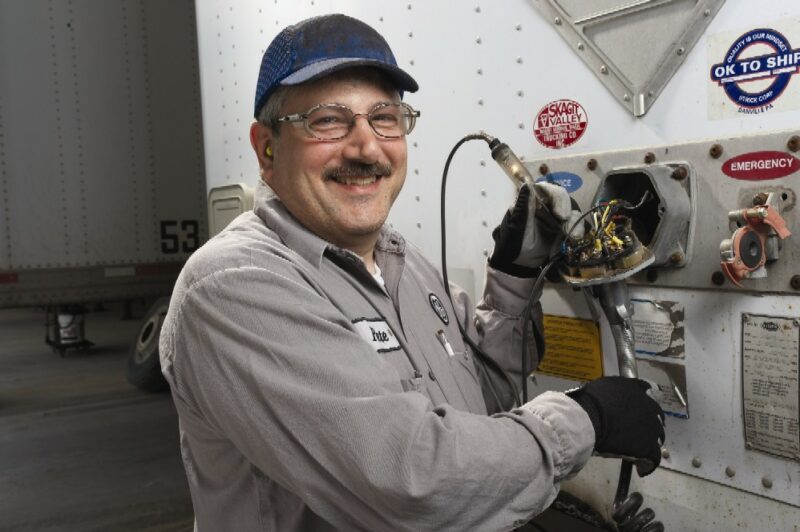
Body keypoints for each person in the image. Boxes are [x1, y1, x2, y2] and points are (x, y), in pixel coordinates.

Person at [159, 13, 665, 532]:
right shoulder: (233, 286)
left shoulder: (401, 260)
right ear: (267, 148)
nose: (366, 147)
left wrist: (515, 277)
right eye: (328, 119)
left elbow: (483, 400)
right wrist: (586, 418)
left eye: (385, 117)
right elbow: (411, 483)